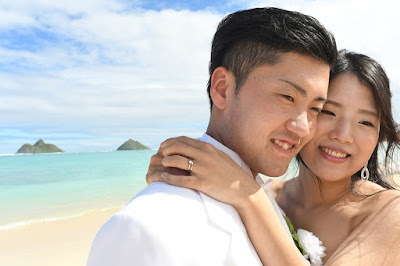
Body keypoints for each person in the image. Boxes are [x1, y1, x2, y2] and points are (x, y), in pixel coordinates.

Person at [87, 7, 337, 266]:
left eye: (315, 109)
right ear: (223, 89)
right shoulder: (148, 227)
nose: (303, 127)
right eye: (287, 97)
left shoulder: (264, 198)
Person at [146, 50, 400, 265]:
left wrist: (249, 197)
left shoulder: (390, 210)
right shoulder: (267, 193)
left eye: (366, 122)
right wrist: (175, 169)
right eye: (328, 112)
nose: (344, 136)